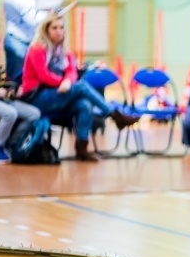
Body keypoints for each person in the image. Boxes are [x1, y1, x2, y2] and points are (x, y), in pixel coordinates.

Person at [20, 13, 138, 161]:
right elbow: (43, 75)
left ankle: (82, 148)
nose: (59, 31)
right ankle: (114, 115)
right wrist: (64, 82)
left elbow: (72, 72)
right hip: (36, 97)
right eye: (54, 28)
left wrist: (68, 81)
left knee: (84, 104)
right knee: (81, 86)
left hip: (57, 95)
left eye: (62, 27)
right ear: (46, 30)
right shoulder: (36, 49)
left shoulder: (65, 51)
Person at [3, 0, 47, 81]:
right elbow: (32, 19)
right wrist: (49, 16)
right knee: (16, 80)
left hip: (23, 41)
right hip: (17, 42)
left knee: (24, 78)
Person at [0, 73, 41, 164]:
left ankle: (12, 144)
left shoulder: (0, 62)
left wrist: (14, 90)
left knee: (34, 114)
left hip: (4, 98)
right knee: (10, 113)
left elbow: (4, 81)